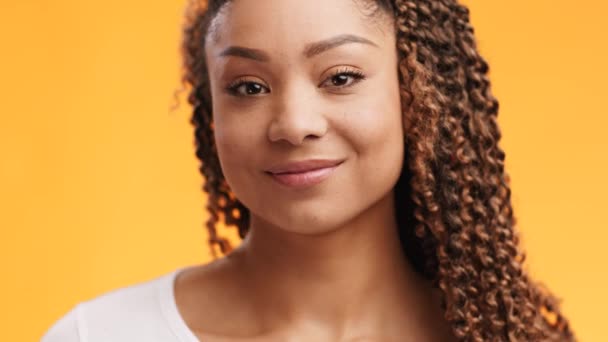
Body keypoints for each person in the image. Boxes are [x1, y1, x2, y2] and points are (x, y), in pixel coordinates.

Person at [42, 0, 575, 341]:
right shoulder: (100, 335)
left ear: (418, 92)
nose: (293, 125)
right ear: (211, 114)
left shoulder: (506, 336)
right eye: (248, 87)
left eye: (340, 77)